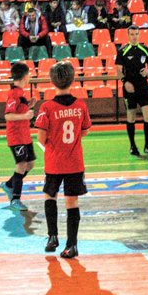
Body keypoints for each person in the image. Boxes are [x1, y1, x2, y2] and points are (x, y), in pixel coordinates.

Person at [35, 61, 92, 258]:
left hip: (54, 162)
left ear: (52, 81)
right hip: (75, 162)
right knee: (72, 201)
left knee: (50, 196)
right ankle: (72, 245)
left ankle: (52, 237)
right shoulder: (80, 105)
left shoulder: (47, 107)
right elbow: (84, 130)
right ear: (73, 80)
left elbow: (41, 137)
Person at [0, 62, 37, 211]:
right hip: (16, 136)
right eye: (29, 74)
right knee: (21, 165)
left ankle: (9, 185)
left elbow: (19, 110)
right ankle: (15, 199)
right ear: (24, 77)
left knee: (30, 163)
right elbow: (8, 116)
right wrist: (25, 115)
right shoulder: (14, 94)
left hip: (25, 135)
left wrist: (29, 105)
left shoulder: (21, 93)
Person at [115, 25, 148, 156]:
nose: (134, 36)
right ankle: (132, 146)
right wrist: (125, 82)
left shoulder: (145, 49)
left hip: (143, 86)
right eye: (132, 34)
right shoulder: (123, 51)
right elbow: (118, 70)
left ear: (139, 34)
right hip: (130, 87)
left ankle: (147, 145)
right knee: (131, 116)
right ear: (128, 35)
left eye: (136, 34)